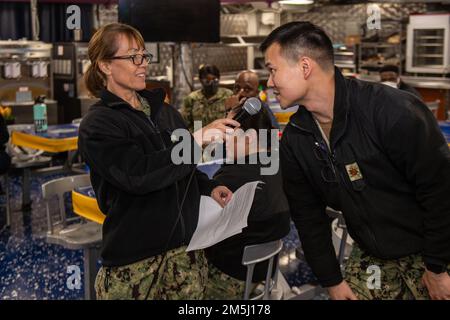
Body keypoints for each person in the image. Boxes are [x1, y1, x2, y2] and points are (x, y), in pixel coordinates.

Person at [260, 21, 450, 300]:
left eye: (272, 69)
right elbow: (308, 217)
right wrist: (332, 281)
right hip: (374, 258)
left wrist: (436, 269)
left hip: (435, 251)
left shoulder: (393, 111)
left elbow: (441, 192)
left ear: (304, 66)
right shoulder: (295, 140)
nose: (269, 81)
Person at [78, 23, 238, 300]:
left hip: (186, 256)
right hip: (137, 268)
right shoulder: (99, 124)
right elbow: (137, 174)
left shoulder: (165, 113)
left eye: (144, 55)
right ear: (105, 65)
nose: (142, 64)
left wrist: (206, 186)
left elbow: (182, 166)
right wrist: (195, 140)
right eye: (132, 57)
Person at [204, 108, 290, 299]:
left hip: (230, 276)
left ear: (249, 137)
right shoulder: (281, 164)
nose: (223, 140)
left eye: (228, 131)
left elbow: (199, 225)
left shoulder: (231, 177)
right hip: (266, 268)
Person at [180, 64, 233, 132]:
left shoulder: (227, 95)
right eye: (207, 80)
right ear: (201, 80)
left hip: (221, 135)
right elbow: (184, 123)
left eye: (214, 79)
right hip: (198, 138)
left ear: (219, 78)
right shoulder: (192, 98)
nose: (211, 83)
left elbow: (233, 118)